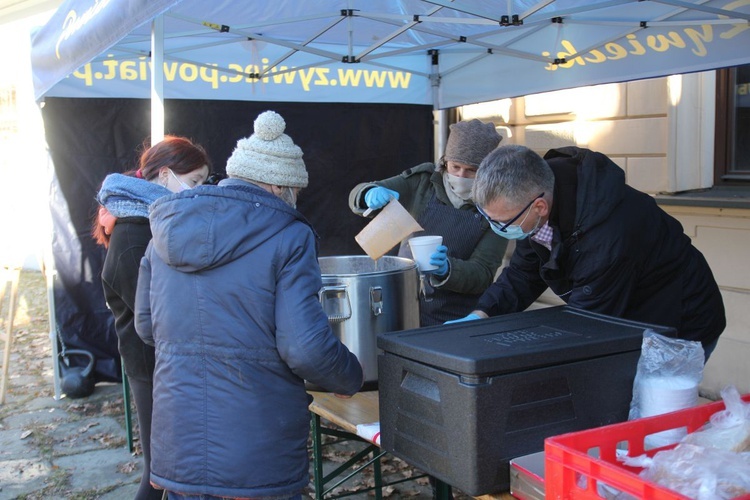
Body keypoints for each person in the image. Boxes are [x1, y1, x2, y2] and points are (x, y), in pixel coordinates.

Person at [134, 110, 363, 500]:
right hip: (256, 449)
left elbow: (145, 325)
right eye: (295, 191)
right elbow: (304, 347)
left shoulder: (166, 228)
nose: (296, 200)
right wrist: (349, 376)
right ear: (278, 187)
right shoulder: (289, 235)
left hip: (180, 442)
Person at [451, 144, 725, 361]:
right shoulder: (537, 201)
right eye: (489, 219)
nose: (497, 229)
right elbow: (523, 274)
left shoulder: (607, 238)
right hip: (625, 311)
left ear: (539, 207)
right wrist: (482, 314)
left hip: (681, 321)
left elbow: (586, 327)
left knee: (653, 415)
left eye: (503, 223)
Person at [93, 135, 212, 500]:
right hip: (154, 367)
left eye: (203, 184)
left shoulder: (155, 221)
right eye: (193, 183)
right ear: (164, 176)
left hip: (167, 364)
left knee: (173, 470)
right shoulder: (133, 233)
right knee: (160, 473)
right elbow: (153, 318)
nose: (197, 192)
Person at [349, 119, 508, 326]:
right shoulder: (423, 182)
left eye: (471, 171)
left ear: (487, 172)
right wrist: (367, 193)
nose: (461, 176)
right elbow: (358, 193)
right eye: (455, 167)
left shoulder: (498, 206)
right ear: (444, 162)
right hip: (403, 303)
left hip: (455, 317)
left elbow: (483, 273)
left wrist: (448, 269)